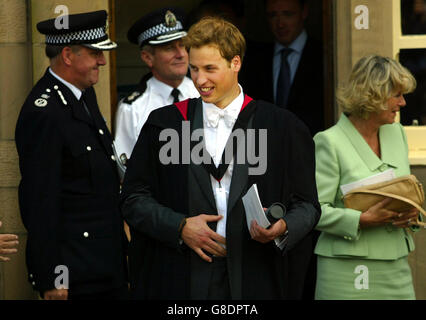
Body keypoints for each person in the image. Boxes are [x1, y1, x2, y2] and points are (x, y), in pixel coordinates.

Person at [120, 16, 320, 300]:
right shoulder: (165, 124)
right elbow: (133, 198)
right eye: (194, 69)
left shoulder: (282, 127)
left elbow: (308, 206)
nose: (200, 80)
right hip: (183, 278)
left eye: (210, 69)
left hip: (255, 275)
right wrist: (179, 227)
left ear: (235, 63)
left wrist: (283, 226)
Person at [15, 10, 128, 300]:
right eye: (94, 53)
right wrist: (52, 276)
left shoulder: (83, 94)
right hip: (76, 273)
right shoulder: (45, 112)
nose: (102, 61)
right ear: (67, 55)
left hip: (105, 263)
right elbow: (40, 200)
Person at [314, 55, 419, 300]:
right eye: (397, 95)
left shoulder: (397, 133)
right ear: (373, 96)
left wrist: (414, 213)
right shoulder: (329, 141)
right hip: (346, 270)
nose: (402, 103)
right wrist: (360, 219)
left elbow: (407, 189)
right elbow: (314, 210)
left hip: (396, 267)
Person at [114, 7, 199, 160]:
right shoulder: (132, 109)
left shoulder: (203, 92)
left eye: (182, 45)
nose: (180, 54)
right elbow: (127, 170)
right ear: (148, 58)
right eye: (169, 48)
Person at [240, 0, 324, 136]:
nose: (280, 24)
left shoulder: (323, 57)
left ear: (304, 12)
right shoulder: (255, 60)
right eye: (273, 15)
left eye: (288, 14)